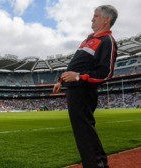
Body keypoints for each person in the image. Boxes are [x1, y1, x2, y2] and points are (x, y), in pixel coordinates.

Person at [53, 5, 118, 168]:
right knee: (84, 132)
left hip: (84, 90)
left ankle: (96, 165)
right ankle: (99, 163)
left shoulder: (107, 41)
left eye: (95, 16)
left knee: (84, 132)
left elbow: (106, 72)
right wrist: (61, 80)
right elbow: (75, 64)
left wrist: (78, 77)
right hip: (74, 89)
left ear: (106, 19)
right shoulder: (88, 39)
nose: (92, 19)